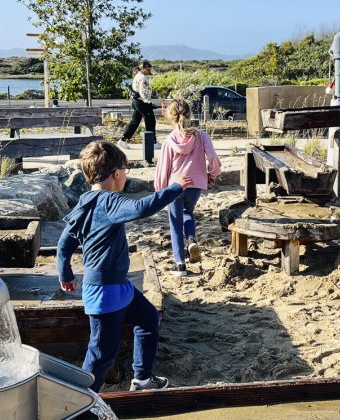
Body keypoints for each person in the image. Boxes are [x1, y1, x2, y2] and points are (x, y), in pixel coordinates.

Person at [56, 140, 193, 392]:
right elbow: (141, 207)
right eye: (126, 170)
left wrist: (65, 272)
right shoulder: (110, 201)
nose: (126, 175)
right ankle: (79, 402)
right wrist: (176, 188)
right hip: (105, 293)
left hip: (118, 286)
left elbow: (64, 244)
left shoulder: (85, 201)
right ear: (117, 174)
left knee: (149, 318)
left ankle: (142, 380)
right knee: (101, 355)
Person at [154, 99, 222, 276]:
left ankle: (179, 265)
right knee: (188, 212)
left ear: (170, 117)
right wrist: (211, 174)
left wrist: (161, 191)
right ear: (190, 114)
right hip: (195, 185)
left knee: (175, 224)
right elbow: (213, 160)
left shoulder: (170, 140)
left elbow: (163, 168)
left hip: (175, 186)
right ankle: (191, 239)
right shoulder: (201, 136)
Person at [119, 61, 157, 149]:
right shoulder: (143, 78)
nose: (149, 71)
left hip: (136, 102)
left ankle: (123, 140)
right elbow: (144, 92)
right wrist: (149, 103)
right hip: (142, 102)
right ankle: (153, 143)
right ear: (143, 68)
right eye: (147, 69)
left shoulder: (137, 76)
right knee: (150, 121)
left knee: (134, 122)